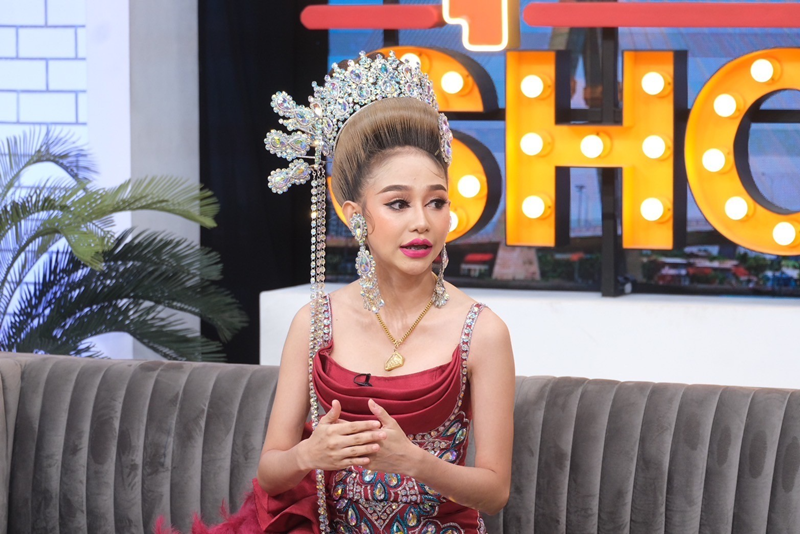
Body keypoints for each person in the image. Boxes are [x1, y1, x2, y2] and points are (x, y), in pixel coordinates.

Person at [158, 51, 514, 534]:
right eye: (398, 203)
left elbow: (495, 491)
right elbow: (271, 471)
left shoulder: (482, 331)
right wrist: (309, 454)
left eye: (436, 201)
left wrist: (415, 462)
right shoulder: (316, 322)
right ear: (354, 215)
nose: (422, 222)